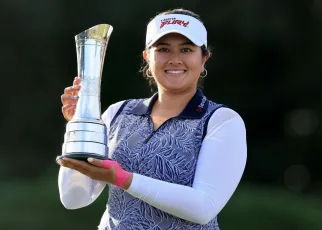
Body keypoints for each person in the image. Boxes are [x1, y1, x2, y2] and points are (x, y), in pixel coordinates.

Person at [57, 8, 247, 230]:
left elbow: (203, 208)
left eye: (186, 49)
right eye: (163, 49)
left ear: (204, 58)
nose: (175, 59)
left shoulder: (221, 121)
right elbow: (74, 199)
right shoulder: (118, 113)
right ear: (147, 57)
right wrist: (77, 127)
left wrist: (124, 179)